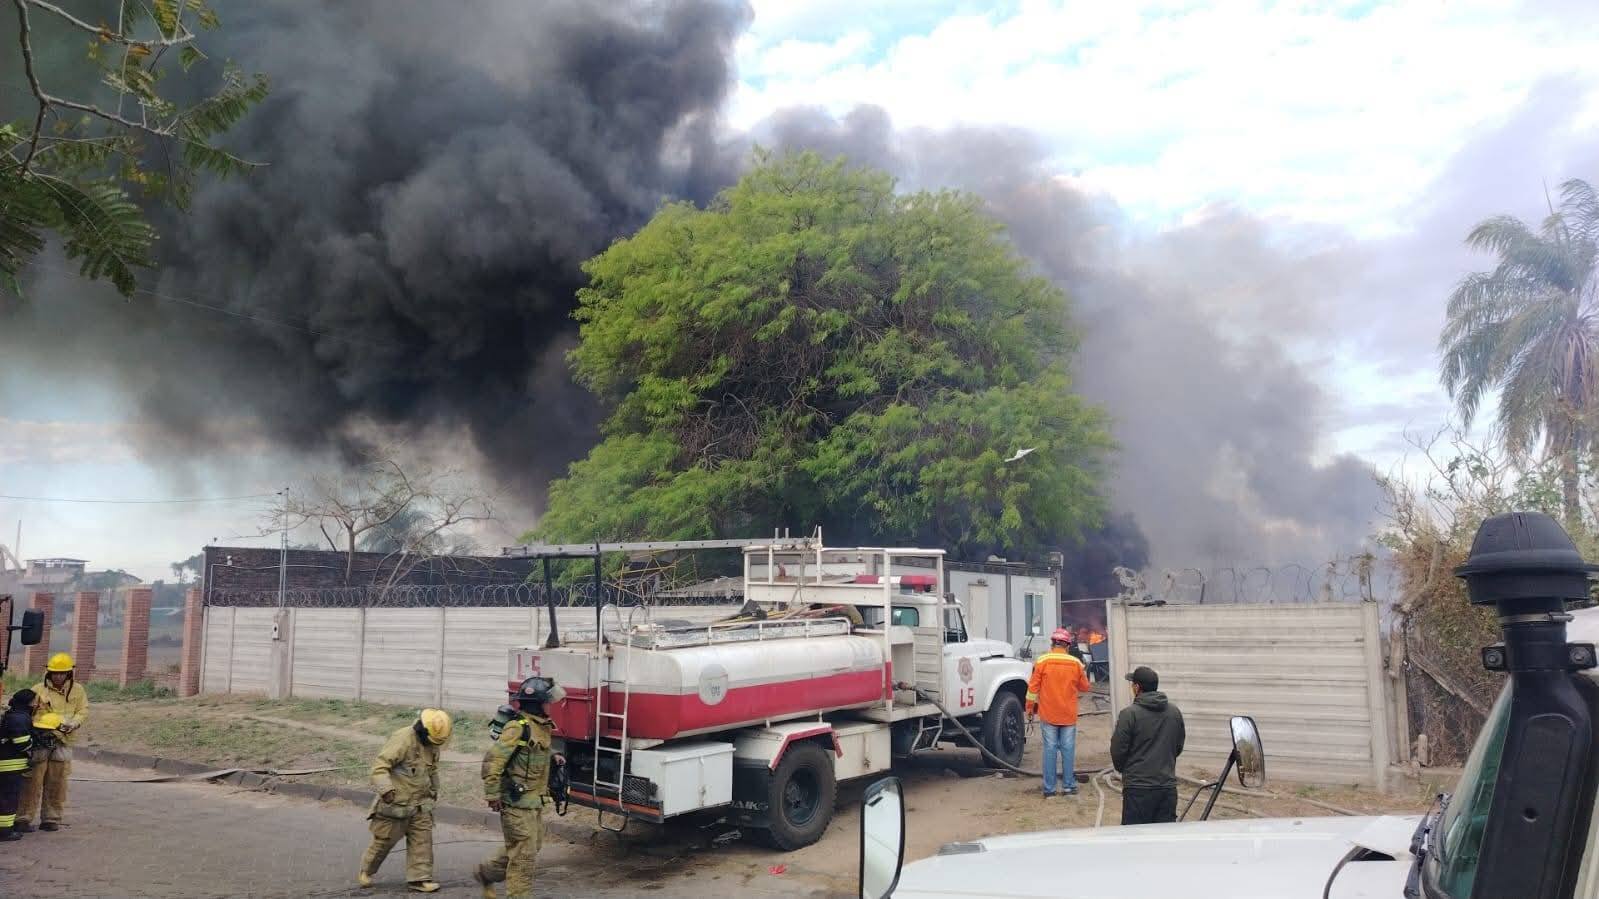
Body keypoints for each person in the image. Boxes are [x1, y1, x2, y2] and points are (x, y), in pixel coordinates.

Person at [476, 676, 566, 899]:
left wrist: (553, 757)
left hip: (533, 800)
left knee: (530, 846)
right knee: (524, 855)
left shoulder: (539, 726)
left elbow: (532, 753)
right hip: (515, 801)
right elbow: (493, 761)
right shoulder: (518, 728)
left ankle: (486, 872)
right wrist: (492, 794)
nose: (550, 706)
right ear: (537, 704)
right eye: (547, 702)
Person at [358, 708, 452, 893]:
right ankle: (366, 870)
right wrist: (386, 790)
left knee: (422, 842)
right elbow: (379, 768)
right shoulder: (402, 739)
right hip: (396, 804)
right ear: (422, 731)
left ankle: (419, 879)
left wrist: (434, 791)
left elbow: (432, 770)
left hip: (420, 804)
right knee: (383, 842)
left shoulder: (432, 744)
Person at [18, 652, 87, 832]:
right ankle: (23, 818)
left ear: (69, 673)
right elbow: (27, 711)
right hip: (41, 740)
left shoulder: (78, 691)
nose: (58, 676)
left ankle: (51, 818)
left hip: (63, 741)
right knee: (32, 780)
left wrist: (74, 723)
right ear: (49, 673)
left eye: (62, 673)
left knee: (57, 781)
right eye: (55, 673)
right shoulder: (38, 689)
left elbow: (82, 711)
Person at [1111, 665, 1186, 825]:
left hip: (1138, 789)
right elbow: (1178, 747)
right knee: (1163, 841)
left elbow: (1118, 751)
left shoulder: (1129, 715)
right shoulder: (1174, 712)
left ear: (1137, 687)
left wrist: (1128, 770)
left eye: (1132, 684)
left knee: (1135, 841)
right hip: (1167, 788)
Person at [1025, 627, 1092, 797]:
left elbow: (1032, 689)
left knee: (1050, 750)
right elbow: (1085, 687)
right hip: (1068, 715)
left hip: (1048, 714)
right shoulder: (1076, 663)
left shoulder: (1042, 661)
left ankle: (1049, 789)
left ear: (1052, 643)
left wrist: (1030, 709)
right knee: (1068, 750)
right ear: (1067, 645)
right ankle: (1069, 787)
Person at [0, 689, 38, 841]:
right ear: (27, 702)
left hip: (7, 764)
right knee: (9, 798)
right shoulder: (19, 718)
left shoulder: (13, 715)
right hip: (10, 766)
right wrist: (33, 744)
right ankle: (5, 832)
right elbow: (21, 742)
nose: (36, 705)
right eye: (34, 702)